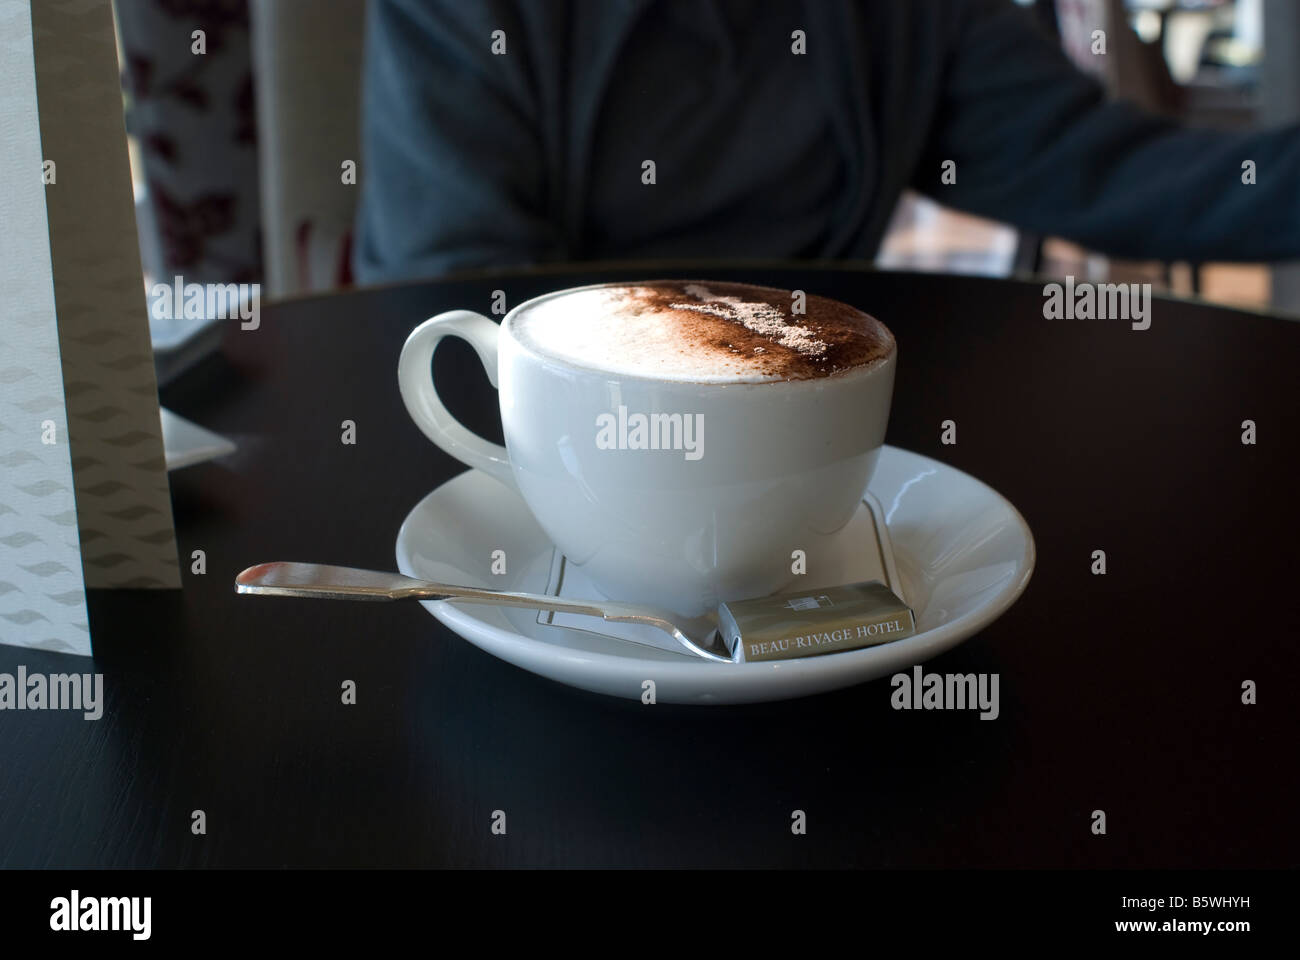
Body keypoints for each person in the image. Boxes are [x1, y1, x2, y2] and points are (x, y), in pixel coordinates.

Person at [354, 0, 1300, 285]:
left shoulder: (905, 26)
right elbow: (450, 287)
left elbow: (1124, 178)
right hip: (524, 478)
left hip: (796, 476)